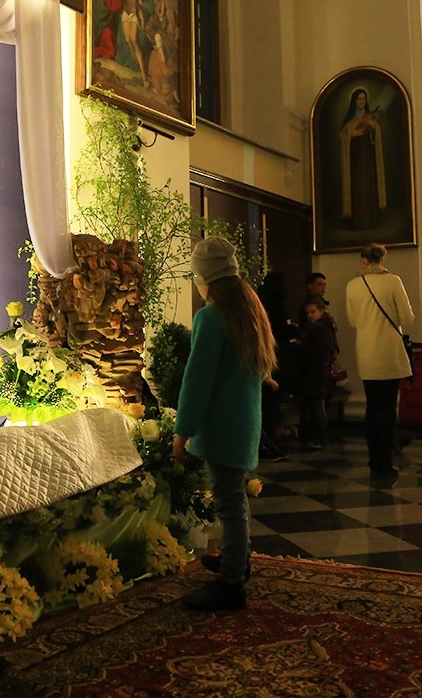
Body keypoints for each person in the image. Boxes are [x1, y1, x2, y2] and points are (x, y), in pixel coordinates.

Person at [174, 236, 277, 612]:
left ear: (204, 280)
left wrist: (182, 430)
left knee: (229, 502)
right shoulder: (249, 311)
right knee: (235, 498)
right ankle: (237, 559)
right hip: (244, 423)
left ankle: (232, 583)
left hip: (221, 427)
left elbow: (197, 380)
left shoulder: (211, 317)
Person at [345, 242, 414, 480]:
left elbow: (353, 321)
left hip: (366, 352)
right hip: (389, 352)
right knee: (388, 409)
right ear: (382, 260)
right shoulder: (393, 281)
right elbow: (407, 317)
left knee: (372, 408)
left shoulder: (353, 285)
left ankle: (373, 459)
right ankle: (385, 462)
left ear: (363, 260)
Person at [255, 272, 297, 462]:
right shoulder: (274, 305)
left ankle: (268, 443)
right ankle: (267, 443)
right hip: (275, 361)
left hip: (270, 359)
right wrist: (292, 330)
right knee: (270, 405)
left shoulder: (262, 302)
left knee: (268, 405)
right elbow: (281, 330)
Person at [338, 89, 386, 229]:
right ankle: (358, 221)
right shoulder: (350, 122)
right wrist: (353, 134)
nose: (361, 102)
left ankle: (372, 220)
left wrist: (372, 127)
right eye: (359, 99)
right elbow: (342, 137)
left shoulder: (370, 118)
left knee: (370, 187)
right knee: (358, 188)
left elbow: (376, 135)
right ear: (354, 101)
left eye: (364, 98)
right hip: (356, 160)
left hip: (369, 159)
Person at [296, 296, 336, 450]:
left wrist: (300, 345)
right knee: (315, 406)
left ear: (321, 311)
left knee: (317, 407)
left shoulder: (321, 329)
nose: (309, 315)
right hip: (315, 371)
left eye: (313, 312)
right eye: (307, 313)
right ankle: (320, 438)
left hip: (316, 372)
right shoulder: (321, 328)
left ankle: (322, 438)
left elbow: (319, 351)